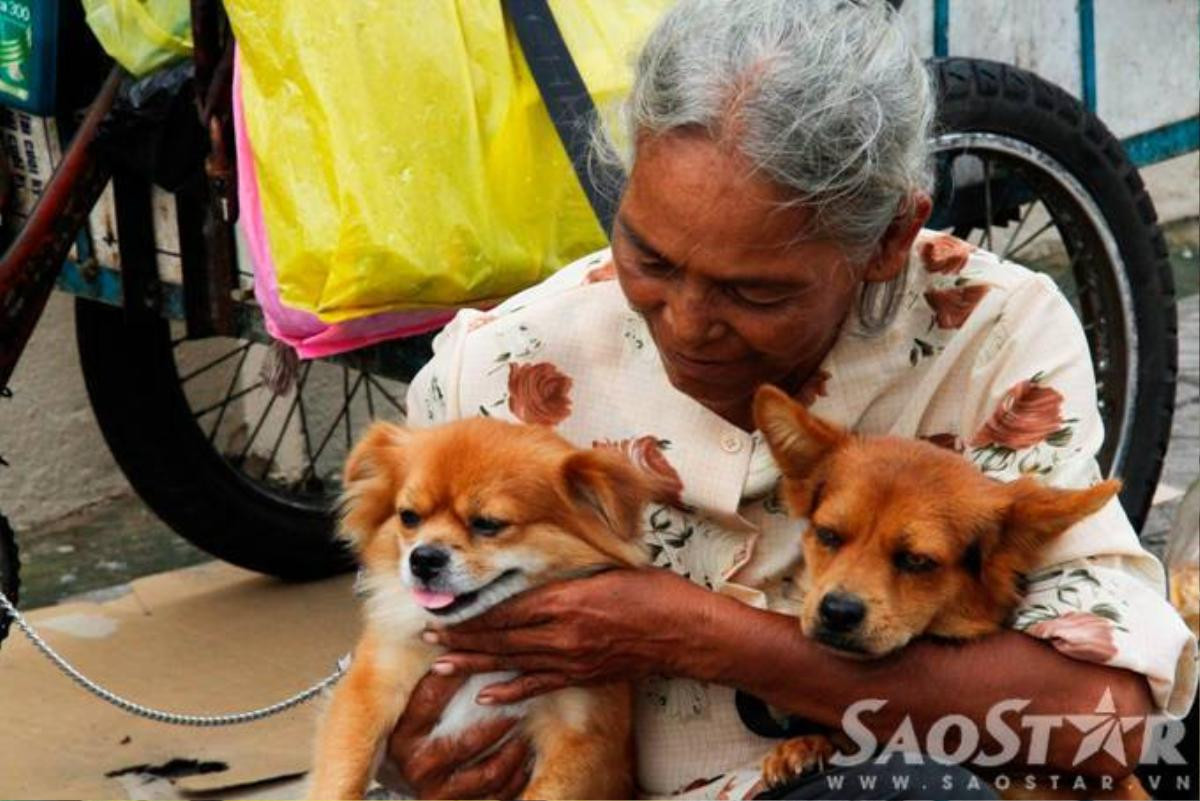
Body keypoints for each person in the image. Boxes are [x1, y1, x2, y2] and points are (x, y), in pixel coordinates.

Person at [375, 0, 1197, 798]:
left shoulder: (992, 333)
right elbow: (396, 679)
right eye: (649, 259)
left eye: (756, 293)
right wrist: (408, 754)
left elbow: (1102, 723)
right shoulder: (494, 372)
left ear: (888, 240)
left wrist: (705, 634)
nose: (688, 324)